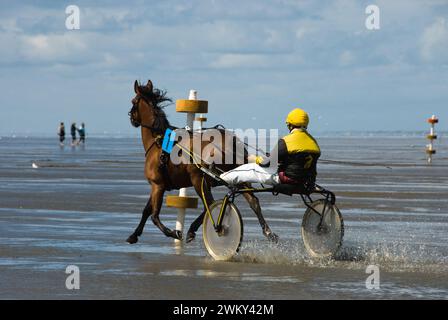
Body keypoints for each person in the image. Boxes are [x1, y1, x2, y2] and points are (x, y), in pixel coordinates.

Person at [220, 108, 321, 188]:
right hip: (307, 181)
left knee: (250, 168)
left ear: (290, 125)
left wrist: (254, 159)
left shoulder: (286, 141)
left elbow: (267, 163)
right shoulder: (314, 142)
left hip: (286, 179)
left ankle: (221, 178)